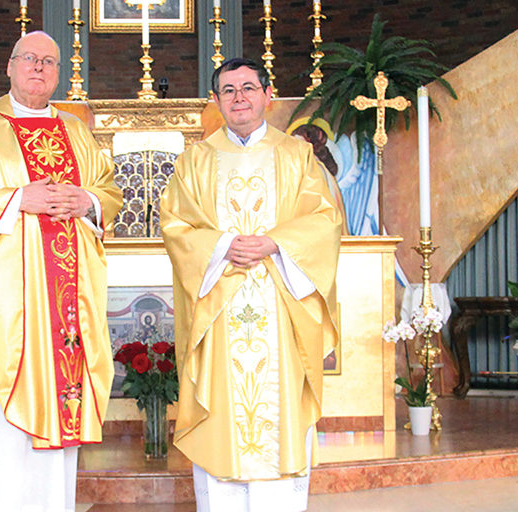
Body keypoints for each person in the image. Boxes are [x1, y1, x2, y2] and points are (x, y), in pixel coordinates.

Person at [0, 31, 123, 512]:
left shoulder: (76, 130)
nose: (38, 68)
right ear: (9, 67)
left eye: (49, 62)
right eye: (29, 59)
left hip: (65, 304)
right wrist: (17, 199)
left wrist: (87, 200)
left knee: (61, 409)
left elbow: (108, 190)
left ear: (58, 74)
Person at [160, 58, 343, 511]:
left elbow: (324, 220)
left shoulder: (297, 155)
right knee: (223, 416)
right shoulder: (195, 160)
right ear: (216, 100)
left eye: (247, 87)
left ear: (267, 94)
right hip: (220, 310)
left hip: (280, 307)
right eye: (228, 90)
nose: (239, 97)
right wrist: (222, 246)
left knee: (278, 419)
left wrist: (274, 244)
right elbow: (175, 225)